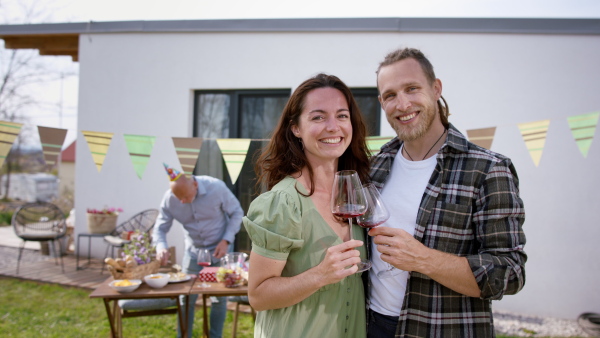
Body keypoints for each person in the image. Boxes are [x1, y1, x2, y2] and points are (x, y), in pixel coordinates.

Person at [367, 47, 527, 337]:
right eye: (390, 95)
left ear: (436, 88)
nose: (402, 104)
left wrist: (423, 259)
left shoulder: (488, 169)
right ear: (381, 102)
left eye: (412, 89)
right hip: (370, 325)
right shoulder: (374, 166)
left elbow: (510, 273)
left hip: (442, 330)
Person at [242, 73, 371, 337]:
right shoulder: (283, 202)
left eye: (342, 115)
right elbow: (258, 295)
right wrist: (320, 275)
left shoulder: (354, 195)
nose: (333, 126)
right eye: (318, 117)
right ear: (296, 128)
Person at [153, 164, 243, 338]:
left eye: (185, 197)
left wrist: (226, 240)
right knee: (185, 298)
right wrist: (161, 246)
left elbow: (237, 213)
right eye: (178, 198)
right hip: (193, 252)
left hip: (220, 250)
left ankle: (215, 336)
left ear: (194, 184)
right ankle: (184, 335)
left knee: (218, 298)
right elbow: (160, 228)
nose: (182, 202)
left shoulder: (216, 187)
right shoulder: (170, 198)